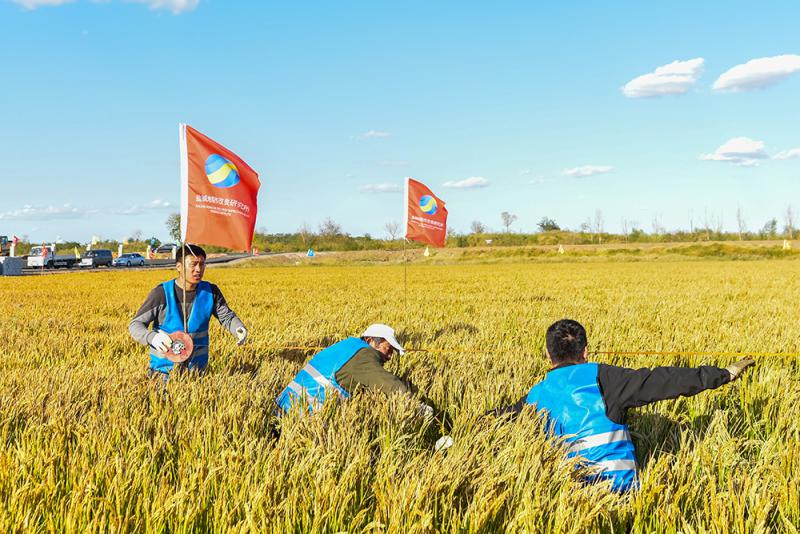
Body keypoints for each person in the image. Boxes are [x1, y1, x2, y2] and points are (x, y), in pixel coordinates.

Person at [488, 319, 754, 493]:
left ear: (548, 355)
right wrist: (722, 374)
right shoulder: (603, 378)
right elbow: (664, 380)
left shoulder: (536, 395)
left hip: (567, 498)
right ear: (586, 352)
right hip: (620, 495)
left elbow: (496, 419)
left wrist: (452, 440)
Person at [129, 244, 248, 380]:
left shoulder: (210, 292)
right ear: (179, 267)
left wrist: (238, 327)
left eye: (202, 264)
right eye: (193, 264)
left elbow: (226, 317)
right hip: (163, 374)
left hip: (197, 374)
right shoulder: (161, 293)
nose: (198, 269)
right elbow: (135, 325)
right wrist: (151, 337)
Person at [275, 323, 437, 420]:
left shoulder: (348, 346)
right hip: (302, 414)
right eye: (388, 349)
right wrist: (416, 407)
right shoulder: (363, 355)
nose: (389, 357)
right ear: (370, 340)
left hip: (284, 405)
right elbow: (387, 383)